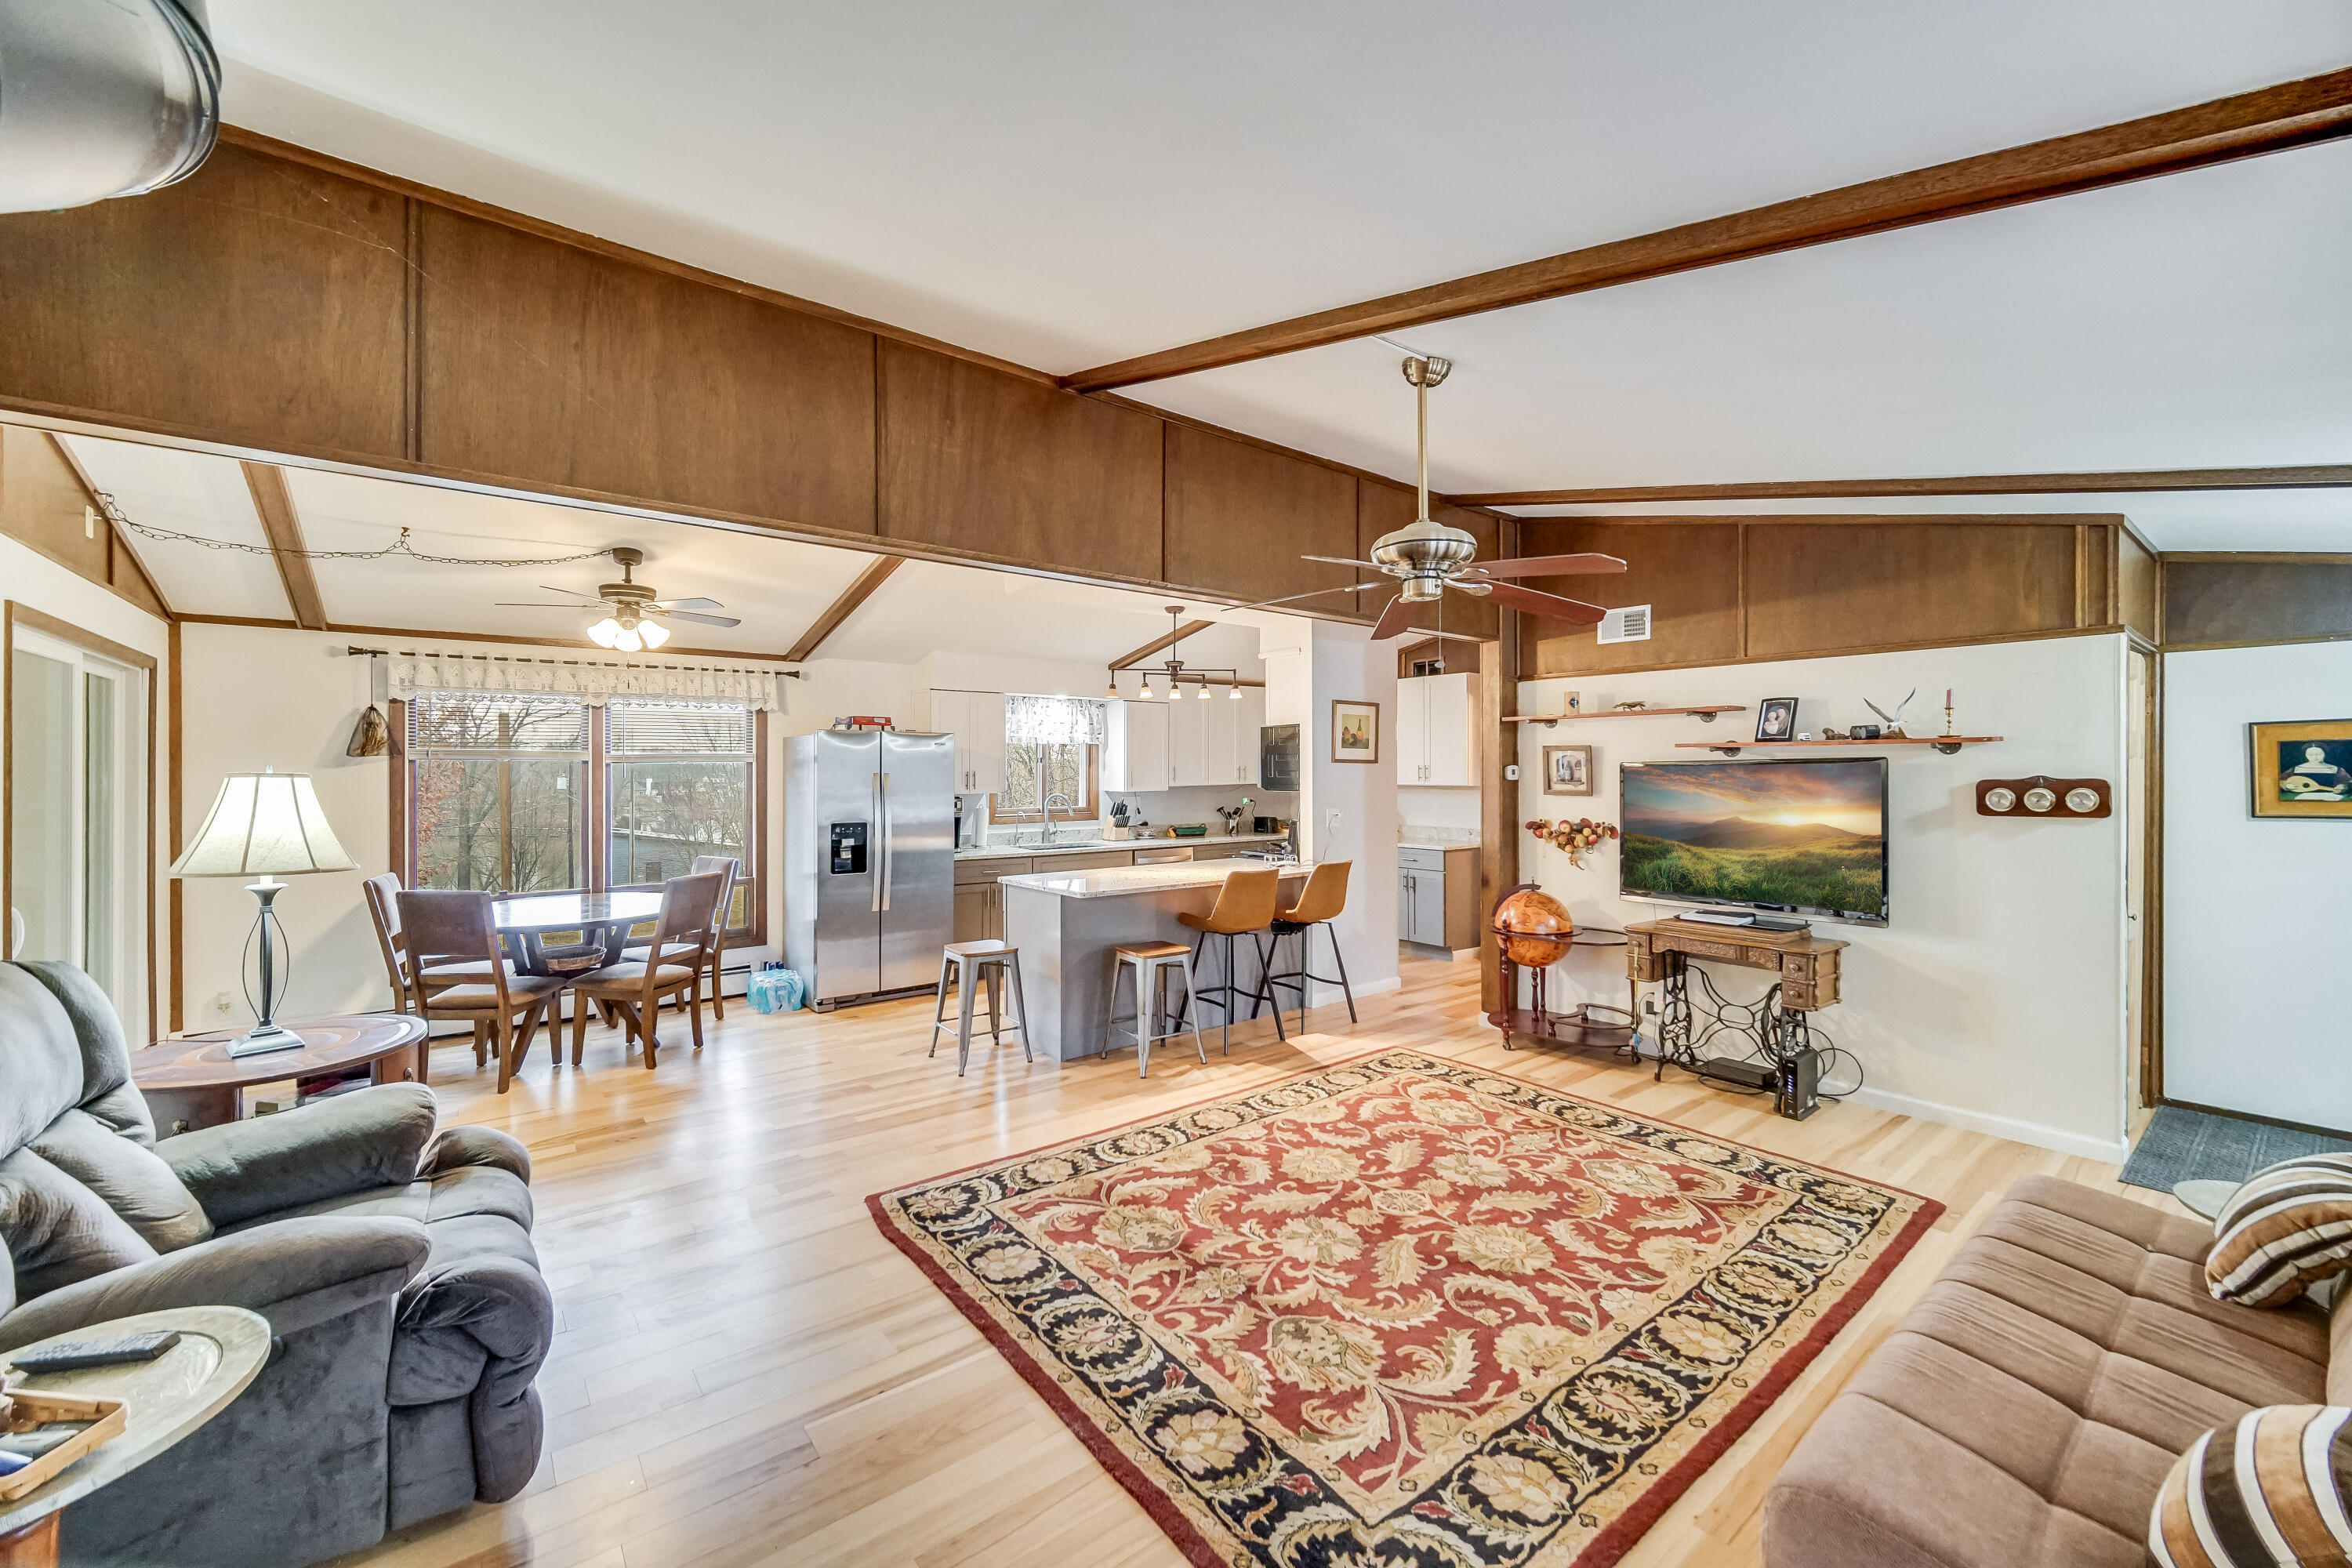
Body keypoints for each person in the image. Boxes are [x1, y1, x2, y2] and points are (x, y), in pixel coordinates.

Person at [2280, 742, 2352, 800]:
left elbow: (2348, 782)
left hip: (2329, 799)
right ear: (2305, 755)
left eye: (2319, 754)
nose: (2315, 758)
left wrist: (2343, 787)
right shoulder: (2296, 769)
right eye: (2310, 755)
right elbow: (2279, 781)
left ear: (2325, 754)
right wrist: (2285, 785)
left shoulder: (2336, 769)